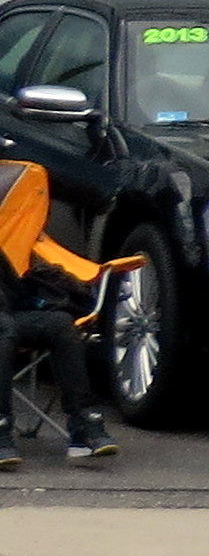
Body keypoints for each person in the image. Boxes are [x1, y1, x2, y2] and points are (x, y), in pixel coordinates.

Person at [0, 161, 117, 467]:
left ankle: (84, 427)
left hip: (9, 314)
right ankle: (0, 429)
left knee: (59, 324)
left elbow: (15, 287)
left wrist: (50, 296)